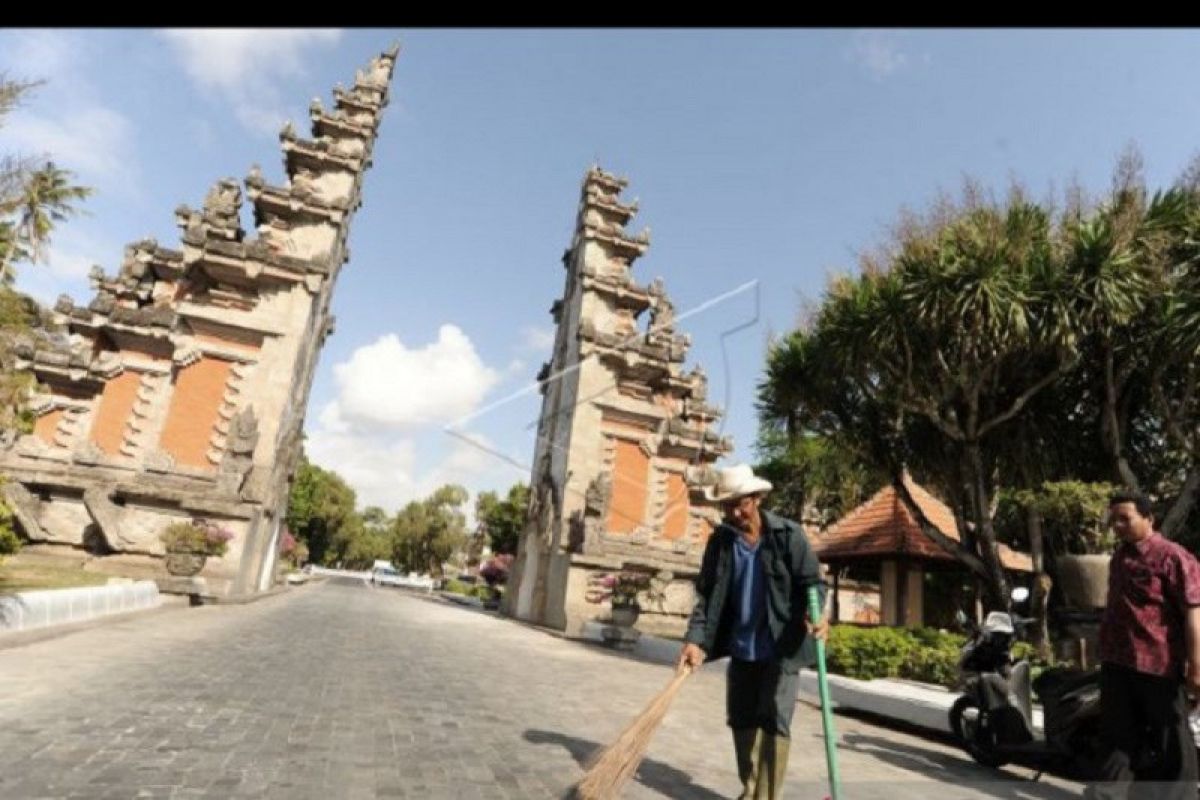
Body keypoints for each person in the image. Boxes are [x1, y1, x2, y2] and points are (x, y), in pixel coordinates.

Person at [677, 463, 828, 799]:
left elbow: (813, 584)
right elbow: (707, 595)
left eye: (741, 503)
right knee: (741, 718)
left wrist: (815, 612)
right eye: (727, 505)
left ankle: (766, 797)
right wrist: (694, 639)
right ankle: (751, 789)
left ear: (757, 498)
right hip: (742, 646)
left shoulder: (788, 536)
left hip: (781, 646)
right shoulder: (721, 542)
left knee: (775, 720)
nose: (734, 512)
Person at [1087, 491, 1200, 799]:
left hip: (1157, 666)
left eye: (1126, 518)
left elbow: (1194, 611)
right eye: (1114, 520)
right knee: (1115, 736)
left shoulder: (1173, 557)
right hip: (1117, 663)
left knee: (1170, 741)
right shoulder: (1120, 557)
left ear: (1149, 519)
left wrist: (1196, 666)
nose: (1118, 525)